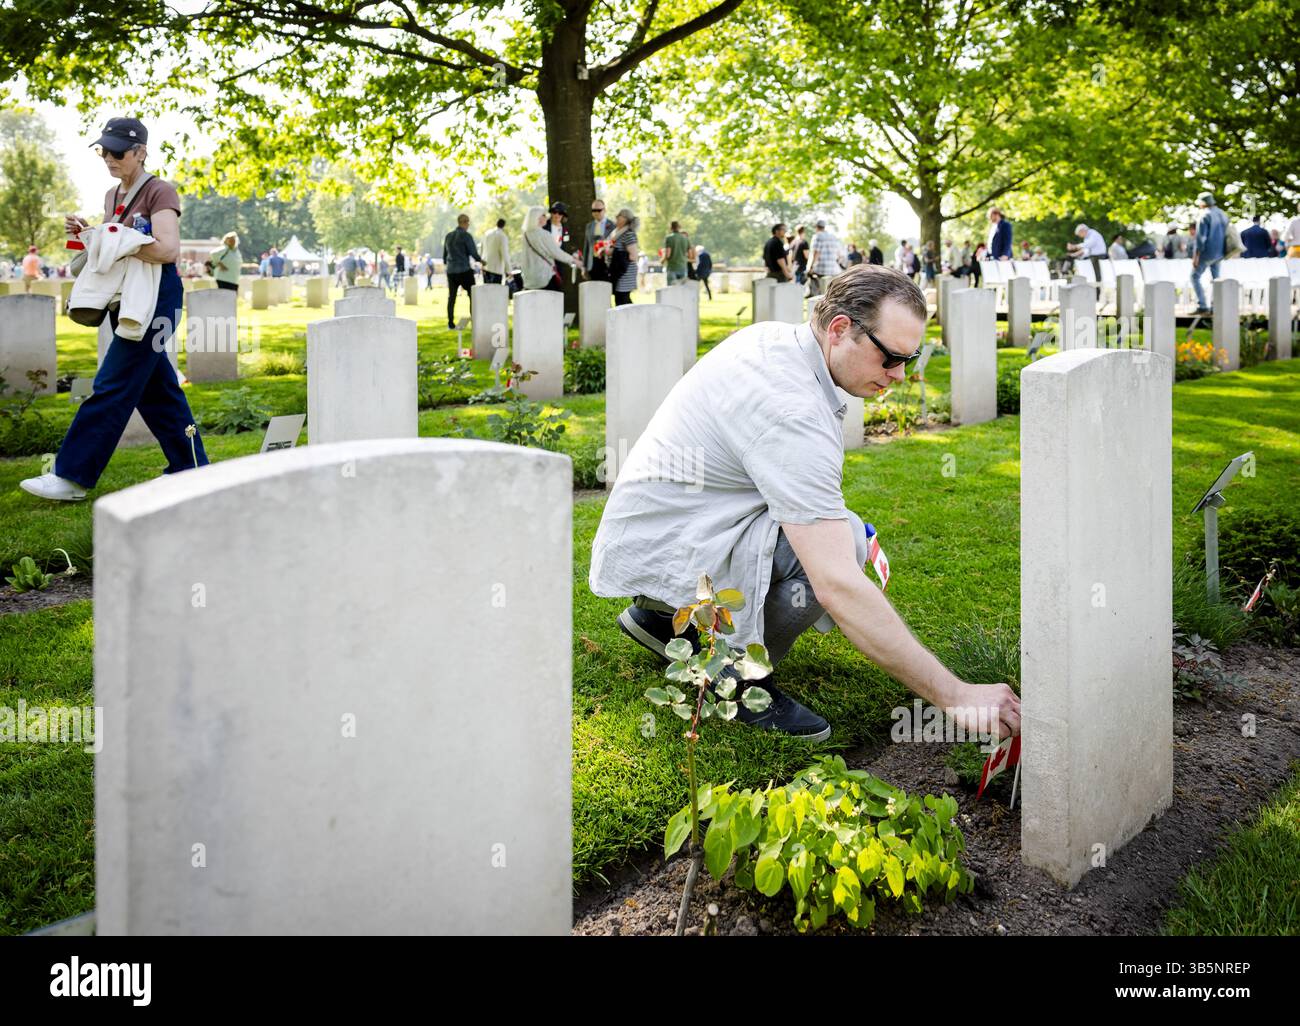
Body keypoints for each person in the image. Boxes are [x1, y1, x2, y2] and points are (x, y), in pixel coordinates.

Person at [590, 265, 1020, 743]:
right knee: (843, 551)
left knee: (843, 532)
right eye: (890, 358)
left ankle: (659, 615)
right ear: (839, 329)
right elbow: (835, 582)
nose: (898, 375)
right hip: (676, 537)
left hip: (669, 526)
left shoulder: (776, 341)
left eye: (910, 358)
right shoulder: (790, 410)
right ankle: (732, 674)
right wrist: (955, 695)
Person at [21, 117, 208, 501]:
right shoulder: (112, 196)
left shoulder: (160, 191)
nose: (109, 157)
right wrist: (92, 234)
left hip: (157, 298)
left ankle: (72, 477)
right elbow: (112, 250)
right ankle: (192, 470)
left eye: (118, 151)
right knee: (159, 392)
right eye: (103, 150)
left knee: (113, 383)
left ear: (140, 152)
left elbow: (167, 250)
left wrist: (118, 239)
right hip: (125, 296)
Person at [521, 205, 576, 292]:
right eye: (543, 215)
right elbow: (557, 253)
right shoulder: (545, 234)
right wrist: (573, 260)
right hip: (545, 277)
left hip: (529, 280)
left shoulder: (525, 234)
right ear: (537, 218)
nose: (547, 217)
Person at [1190, 192, 1228, 314]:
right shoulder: (1222, 214)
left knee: (1194, 277)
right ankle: (1216, 306)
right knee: (1216, 279)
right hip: (1220, 252)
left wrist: (1196, 256)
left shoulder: (1204, 215)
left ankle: (1202, 305)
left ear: (1203, 203)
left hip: (1207, 252)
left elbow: (1201, 238)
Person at [443, 213, 481, 329]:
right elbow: (473, 253)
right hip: (464, 270)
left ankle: (450, 323)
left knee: (452, 297)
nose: (468, 224)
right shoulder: (466, 236)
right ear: (464, 222)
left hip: (451, 271)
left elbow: (445, 256)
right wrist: (481, 261)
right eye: (468, 222)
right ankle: (475, 320)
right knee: (473, 295)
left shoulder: (448, 236)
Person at [608, 208, 640, 306]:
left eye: (619, 215)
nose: (616, 217)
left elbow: (633, 256)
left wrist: (616, 254)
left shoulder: (628, 234)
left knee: (622, 298)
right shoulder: (617, 233)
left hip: (625, 273)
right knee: (620, 298)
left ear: (626, 219)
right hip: (618, 272)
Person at [807, 220, 844, 297]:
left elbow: (816, 252)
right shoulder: (833, 236)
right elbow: (839, 254)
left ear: (816, 227)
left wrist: (811, 267)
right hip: (833, 269)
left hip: (821, 268)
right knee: (831, 291)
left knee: (820, 291)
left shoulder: (817, 236)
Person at [583, 200, 615, 282]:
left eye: (599, 210)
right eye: (594, 210)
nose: (596, 213)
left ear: (604, 210)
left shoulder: (612, 225)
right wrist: (584, 267)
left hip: (606, 264)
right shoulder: (589, 226)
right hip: (592, 264)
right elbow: (586, 247)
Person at [482, 217, 510, 285]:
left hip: (485, 266)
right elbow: (505, 253)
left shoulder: (487, 234)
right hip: (496, 268)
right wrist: (508, 269)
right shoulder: (502, 236)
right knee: (495, 291)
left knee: (486, 290)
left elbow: (482, 248)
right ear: (503, 225)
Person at [662, 220, 690, 286]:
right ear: (679, 227)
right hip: (683, 266)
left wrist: (662, 260)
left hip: (672, 267)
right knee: (682, 290)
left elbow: (668, 254)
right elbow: (690, 254)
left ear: (671, 228)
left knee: (672, 290)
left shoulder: (669, 238)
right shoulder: (685, 238)